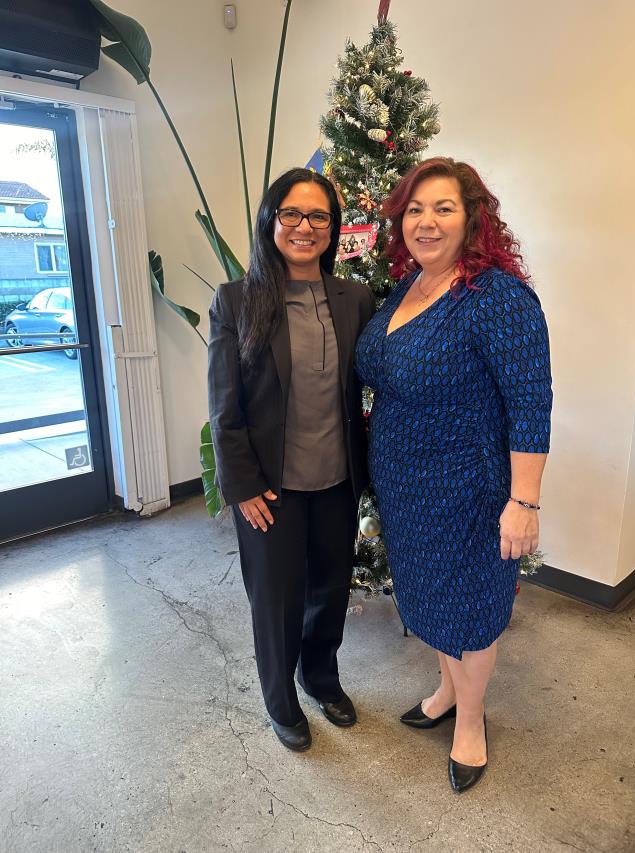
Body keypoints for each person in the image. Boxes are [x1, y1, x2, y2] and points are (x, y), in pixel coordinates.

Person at [355, 157, 552, 792]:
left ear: (472, 218)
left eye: (443, 208)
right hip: (406, 490)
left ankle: (470, 722)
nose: (427, 221)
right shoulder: (407, 289)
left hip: (468, 492)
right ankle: (445, 692)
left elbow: (530, 404)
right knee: (430, 600)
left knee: (468, 610)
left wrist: (524, 502)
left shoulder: (496, 297)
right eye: (415, 209)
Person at [208, 168, 376, 752]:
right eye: (292, 214)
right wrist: (241, 486)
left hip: (336, 479)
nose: (305, 227)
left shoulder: (355, 299)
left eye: (319, 216)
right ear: (270, 220)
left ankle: (320, 678)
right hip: (269, 488)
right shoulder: (236, 300)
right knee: (276, 602)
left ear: (333, 227)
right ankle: (281, 700)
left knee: (329, 591)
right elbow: (224, 407)